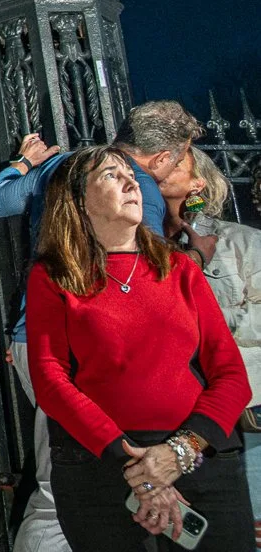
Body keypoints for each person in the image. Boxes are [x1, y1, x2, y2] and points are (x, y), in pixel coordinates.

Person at [0, 101, 205, 552]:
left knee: (67, 465)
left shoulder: (62, 167)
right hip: (94, 343)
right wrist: (197, 256)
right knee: (64, 478)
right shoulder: (139, 190)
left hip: (36, 335)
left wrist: (24, 161)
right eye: (182, 156)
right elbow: (151, 283)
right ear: (163, 158)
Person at [24, 145, 251, 548]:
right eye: (111, 175)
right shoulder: (52, 277)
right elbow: (49, 378)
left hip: (199, 458)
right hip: (103, 466)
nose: (131, 181)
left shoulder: (179, 268)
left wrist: (177, 453)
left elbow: (232, 376)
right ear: (78, 200)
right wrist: (137, 465)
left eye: (129, 173)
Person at [184, 148, 261, 541]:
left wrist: (211, 324)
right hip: (181, 420)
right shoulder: (147, 252)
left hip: (247, 418)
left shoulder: (243, 243)